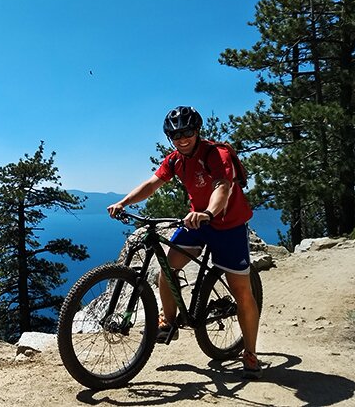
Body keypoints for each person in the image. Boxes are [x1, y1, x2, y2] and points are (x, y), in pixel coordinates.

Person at [106, 106, 262, 379]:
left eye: (187, 132)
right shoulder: (175, 159)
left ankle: (250, 352)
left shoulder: (216, 154)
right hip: (196, 223)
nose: (182, 138)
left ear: (197, 131)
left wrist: (209, 213)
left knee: (241, 291)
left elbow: (222, 187)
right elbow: (152, 184)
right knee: (166, 269)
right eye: (175, 135)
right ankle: (169, 321)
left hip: (228, 225)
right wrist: (124, 201)